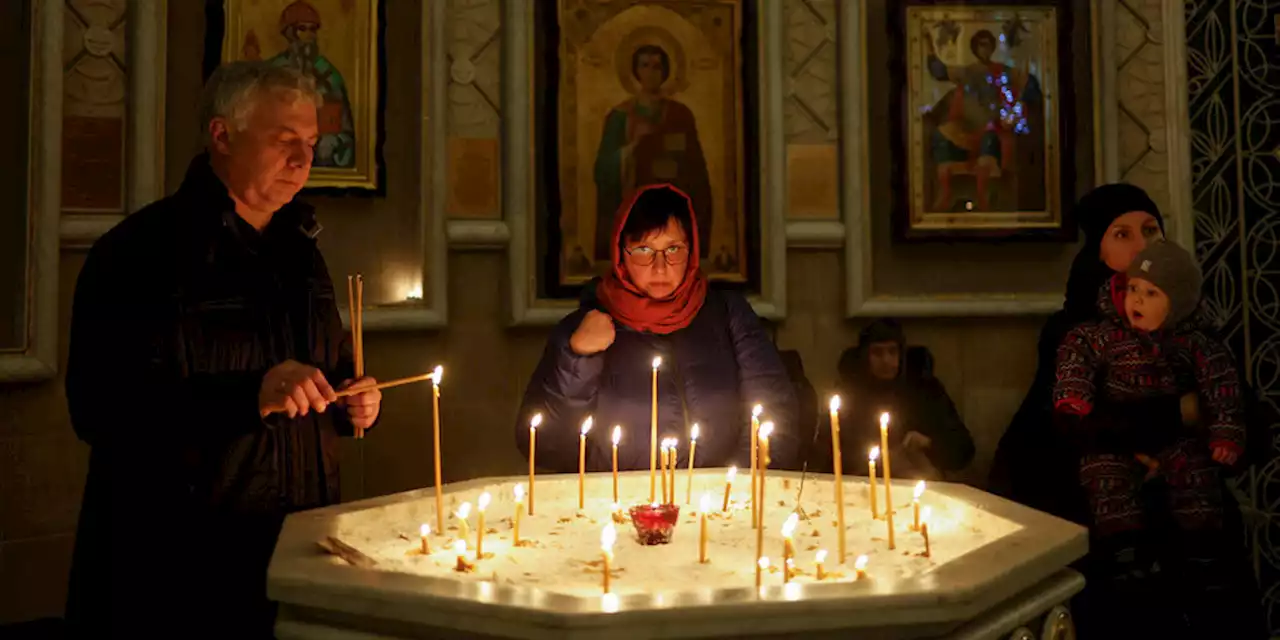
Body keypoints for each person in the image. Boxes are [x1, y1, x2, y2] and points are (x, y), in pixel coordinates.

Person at [63, 62, 381, 638]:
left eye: (311, 144)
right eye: (285, 141)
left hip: (293, 550)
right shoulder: (141, 253)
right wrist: (250, 395)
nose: (303, 160)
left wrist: (352, 403)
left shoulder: (302, 252)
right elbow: (100, 410)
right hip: (179, 569)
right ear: (222, 134)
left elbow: (324, 375)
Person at [990, 184, 1265, 638]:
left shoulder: (1196, 327)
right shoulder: (1074, 330)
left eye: (1151, 230)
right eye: (1122, 234)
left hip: (1196, 531)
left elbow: (1247, 421)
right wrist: (1178, 414)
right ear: (1098, 250)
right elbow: (1062, 426)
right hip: (1109, 536)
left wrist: (1207, 441)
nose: (1143, 246)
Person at [517, 184, 798, 475]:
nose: (660, 267)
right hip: (615, 508)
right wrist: (577, 360)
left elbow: (775, 416)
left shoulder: (728, 315)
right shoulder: (582, 330)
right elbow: (545, 448)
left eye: (673, 249)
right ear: (620, 254)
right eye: (643, 250)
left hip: (718, 509)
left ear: (692, 251)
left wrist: (731, 488)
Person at [1054, 241, 1246, 635]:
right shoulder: (1102, 336)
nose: (1137, 301)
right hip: (1117, 446)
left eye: (1151, 294)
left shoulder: (1196, 343)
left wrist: (1225, 432)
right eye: (1133, 290)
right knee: (1104, 474)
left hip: (1181, 446)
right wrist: (1075, 396)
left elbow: (1223, 390)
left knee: (1195, 476)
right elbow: (1077, 367)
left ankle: (1202, 553)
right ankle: (1125, 549)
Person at [593, 44, 713, 261]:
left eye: (657, 66)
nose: (651, 72)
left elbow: (696, 170)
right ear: (635, 71)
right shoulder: (620, 117)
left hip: (672, 211)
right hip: (636, 210)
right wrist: (632, 147)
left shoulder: (680, 115)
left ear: (666, 72)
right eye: (645, 65)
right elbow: (603, 169)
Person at [818, 319, 974, 480]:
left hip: (919, 484)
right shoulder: (848, 393)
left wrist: (928, 443)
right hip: (863, 483)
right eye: (877, 353)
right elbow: (827, 451)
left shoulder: (925, 390)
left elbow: (963, 450)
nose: (886, 360)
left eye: (892, 352)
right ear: (865, 357)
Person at [267, 0, 355, 168]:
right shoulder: (271, 72)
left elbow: (344, 127)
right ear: (290, 33)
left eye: (312, 29)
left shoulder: (329, 75)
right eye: (302, 29)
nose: (309, 35)